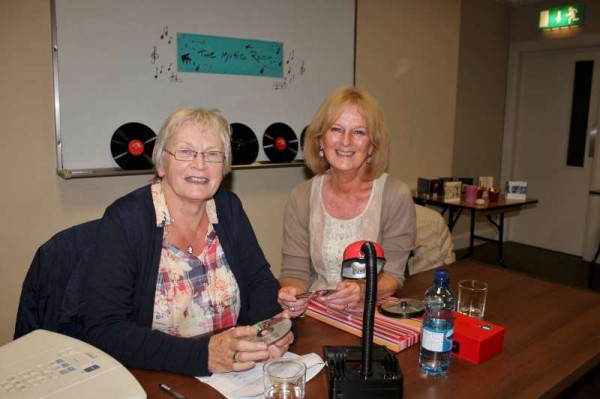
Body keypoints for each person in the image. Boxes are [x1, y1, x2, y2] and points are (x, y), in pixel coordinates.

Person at [85, 108, 292, 376]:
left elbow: (259, 283)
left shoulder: (229, 208)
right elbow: (106, 329)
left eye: (212, 154)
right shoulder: (125, 219)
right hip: (156, 376)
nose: (200, 164)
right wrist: (203, 356)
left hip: (233, 374)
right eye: (185, 151)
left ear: (225, 167)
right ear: (161, 164)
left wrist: (273, 330)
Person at [278, 87, 416, 316]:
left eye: (359, 132)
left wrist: (362, 290)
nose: (345, 141)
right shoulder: (301, 196)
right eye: (336, 129)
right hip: (317, 314)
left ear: (372, 146)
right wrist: (292, 293)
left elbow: (393, 276)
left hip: (372, 314)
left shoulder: (395, 195)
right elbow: (295, 271)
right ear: (321, 140)